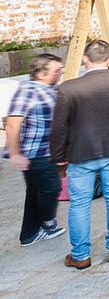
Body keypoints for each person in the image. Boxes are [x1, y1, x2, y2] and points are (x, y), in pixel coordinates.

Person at [50, 40, 109, 269]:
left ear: (85, 58)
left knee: (80, 204)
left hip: (81, 152)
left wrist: (58, 158)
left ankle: (81, 255)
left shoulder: (68, 88)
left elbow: (59, 128)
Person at [3, 54, 65, 246]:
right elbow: (13, 123)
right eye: (57, 70)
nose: (61, 73)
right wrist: (15, 153)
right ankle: (47, 222)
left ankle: (29, 233)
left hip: (46, 151)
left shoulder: (49, 89)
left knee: (35, 191)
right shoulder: (29, 90)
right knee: (51, 188)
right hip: (36, 152)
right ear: (41, 73)